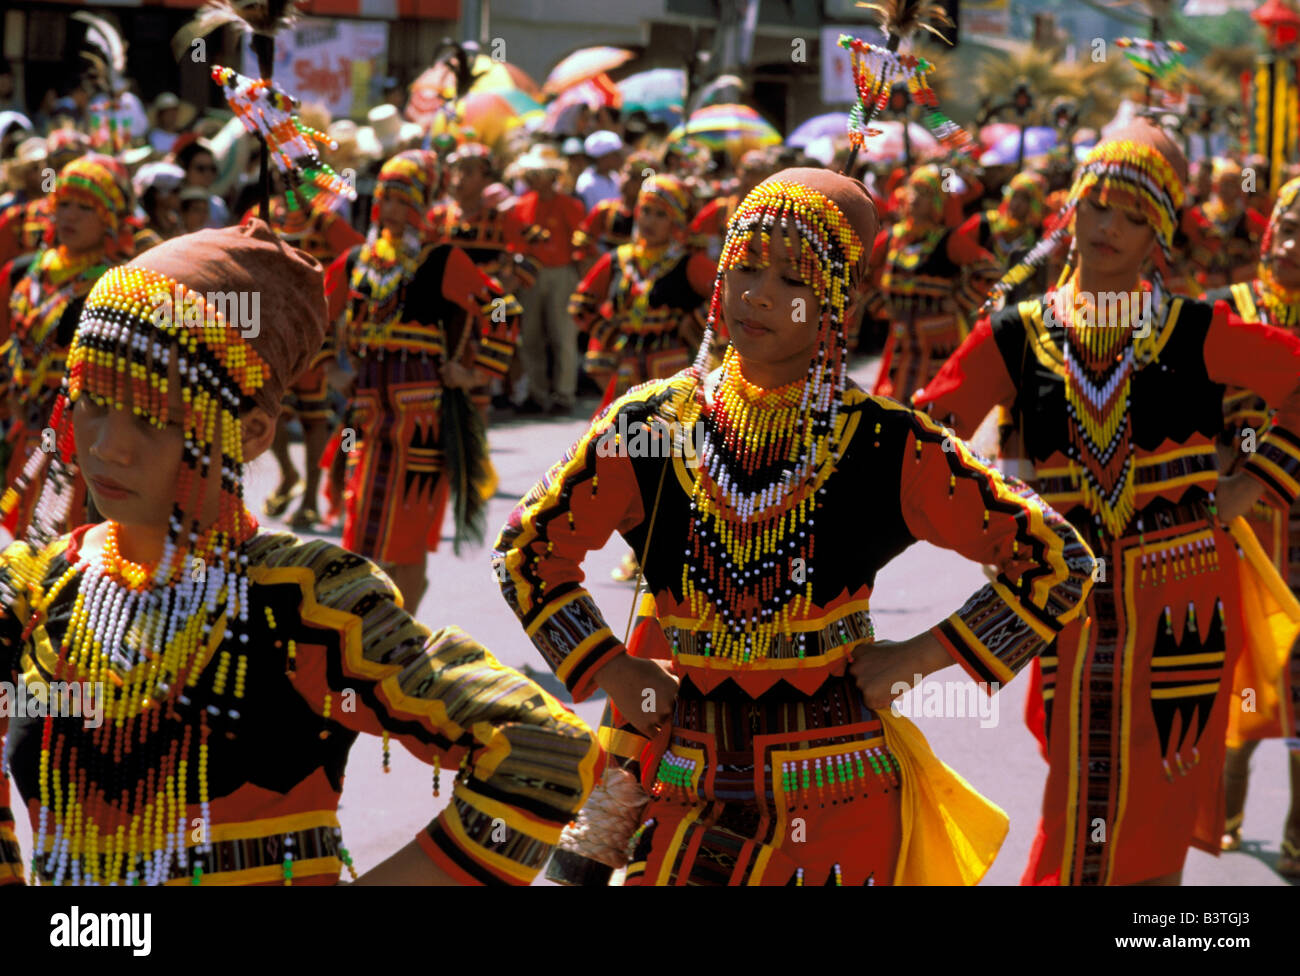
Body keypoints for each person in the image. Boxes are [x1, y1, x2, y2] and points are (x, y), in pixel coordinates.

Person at [493, 168, 1095, 886]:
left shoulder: (883, 443)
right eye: (744, 267)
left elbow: (1059, 562)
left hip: (842, 803)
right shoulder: (653, 425)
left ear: (840, 300)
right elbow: (527, 552)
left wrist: (922, 657)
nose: (758, 295)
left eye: (793, 280)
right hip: (688, 791)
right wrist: (608, 667)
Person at [0, 219, 600, 886]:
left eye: (153, 418)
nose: (108, 446)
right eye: (92, 403)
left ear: (250, 433)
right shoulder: (32, 589)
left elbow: (541, 750)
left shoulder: (307, 601)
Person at [914, 119, 1300, 885]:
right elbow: (925, 443)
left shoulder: (1195, 333)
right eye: (1095, 206)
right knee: (1076, 786)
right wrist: (1002, 525)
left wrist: (1252, 483)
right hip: (1071, 603)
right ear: (1071, 212)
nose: (1107, 227)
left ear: (1158, 232)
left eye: (1131, 214)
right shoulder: (1015, 338)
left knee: (1159, 796)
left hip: (1184, 601)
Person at [331, 150, 521, 610]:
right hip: (365, 415)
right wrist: (329, 368)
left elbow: (502, 310)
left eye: (405, 200)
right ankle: (367, 627)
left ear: (422, 205)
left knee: (409, 531)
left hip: (422, 420)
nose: (394, 210)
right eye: (387, 199)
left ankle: (404, 632)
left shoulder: (441, 260)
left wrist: (474, 372)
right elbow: (317, 313)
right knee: (361, 523)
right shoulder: (358, 259)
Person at [1201, 176, 1300, 877]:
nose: (1295, 243)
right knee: (1236, 668)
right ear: (1268, 235)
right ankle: (1225, 807)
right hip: (1234, 530)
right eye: (1289, 226)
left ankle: (1297, 829)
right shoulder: (1225, 313)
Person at [0, 154, 134, 543]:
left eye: (84, 208)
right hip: (29, 424)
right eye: (64, 205)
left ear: (107, 218)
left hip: (86, 431)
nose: (70, 217)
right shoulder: (29, 272)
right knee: (26, 534)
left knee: (75, 532)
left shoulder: (117, 280)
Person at [866, 165, 1000, 403]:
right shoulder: (891, 238)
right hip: (901, 342)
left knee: (935, 407)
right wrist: (880, 307)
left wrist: (961, 301)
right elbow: (861, 272)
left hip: (939, 340)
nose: (916, 198)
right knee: (893, 407)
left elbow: (991, 271)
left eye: (926, 193)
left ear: (937, 202)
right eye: (914, 190)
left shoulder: (948, 240)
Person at [511, 144, 586, 414]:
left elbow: (581, 242)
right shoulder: (521, 206)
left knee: (563, 334)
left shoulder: (570, 205)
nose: (532, 179)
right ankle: (536, 392)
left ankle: (564, 394)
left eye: (538, 173)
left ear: (552, 176)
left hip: (561, 273)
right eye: (531, 174)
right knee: (530, 336)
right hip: (530, 274)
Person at [1185, 157, 1267, 291]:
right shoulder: (1200, 213)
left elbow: (1267, 240)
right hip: (1203, 284)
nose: (1227, 189)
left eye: (1232, 184)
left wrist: (1249, 253)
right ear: (1216, 185)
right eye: (1224, 183)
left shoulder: (1247, 217)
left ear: (1240, 188)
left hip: (1236, 284)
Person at [574, 130, 624, 213]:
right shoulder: (586, 183)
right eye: (615, 154)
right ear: (603, 158)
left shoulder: (615, 177)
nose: (620, 158)